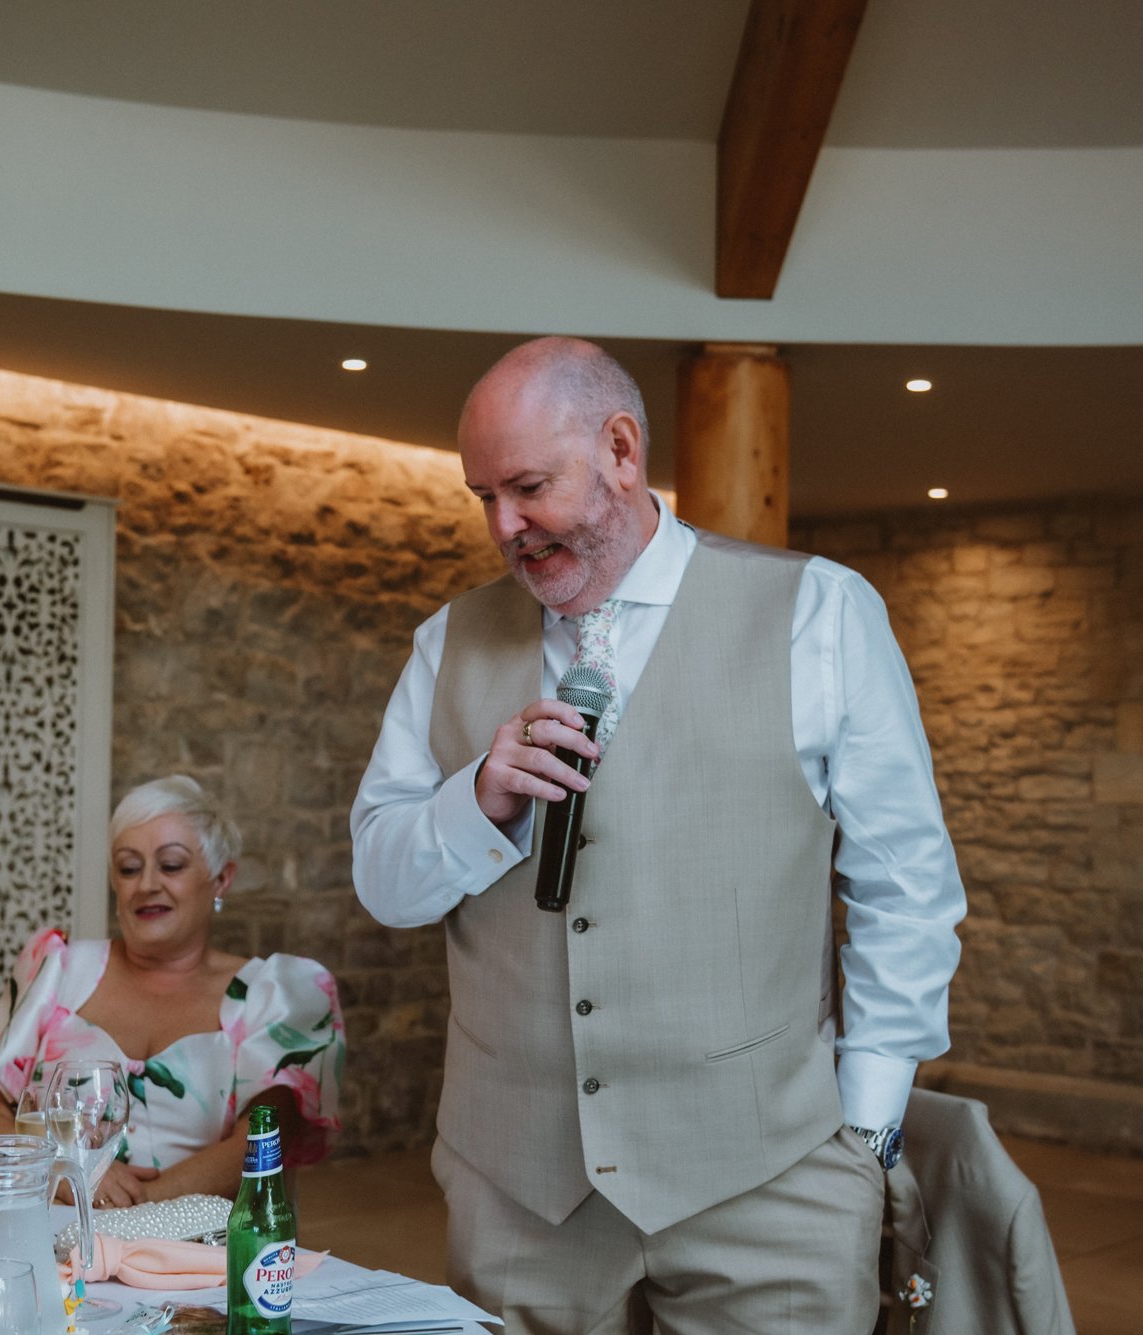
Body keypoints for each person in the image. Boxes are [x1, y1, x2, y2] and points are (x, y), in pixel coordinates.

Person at [351, 337, 967, 1333]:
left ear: (622, 452)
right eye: (481, 498)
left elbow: (905, 889)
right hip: (516, 1192)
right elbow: (382, 882)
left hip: (767, 1182)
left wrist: (865, 1129)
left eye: (527, 487)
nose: (504, 528)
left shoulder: (816, 612)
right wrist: (476, 799)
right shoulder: (445, 643)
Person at [0, 774, 344, 1207]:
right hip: (50, 1237)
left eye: (171, 865)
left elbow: (266, 1140)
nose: (147, 885)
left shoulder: (273, 994)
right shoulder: (58, 970)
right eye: (129, 867)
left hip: (199, 1252)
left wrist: (143, 1210)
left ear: (221, 878)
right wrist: (67, 1175)